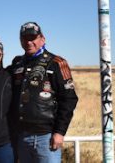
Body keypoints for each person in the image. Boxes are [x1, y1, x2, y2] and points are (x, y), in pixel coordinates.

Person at [10, 22, 78, 163]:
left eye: (32, 38)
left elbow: (69, 99)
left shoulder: (57, 63)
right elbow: (0, 75)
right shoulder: (17, 63)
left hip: (46, 138)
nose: (29, 42)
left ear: (42, 39)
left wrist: (59, 132)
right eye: (24, 38)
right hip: (22, 137)